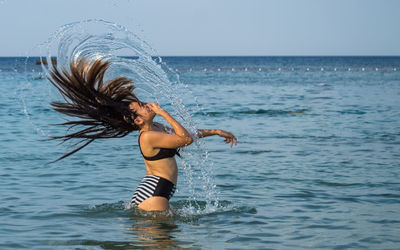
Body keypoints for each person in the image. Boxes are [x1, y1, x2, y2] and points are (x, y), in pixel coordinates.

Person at [47, 57, 237, 211]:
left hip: (155, 191)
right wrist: (163, 112)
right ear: (138, 120)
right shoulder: (147, 136)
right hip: (154, 193)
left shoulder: (156, 128)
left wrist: (216, 131)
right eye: (143, 107)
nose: (147, 104)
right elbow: (185, 139)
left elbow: (185, 135)